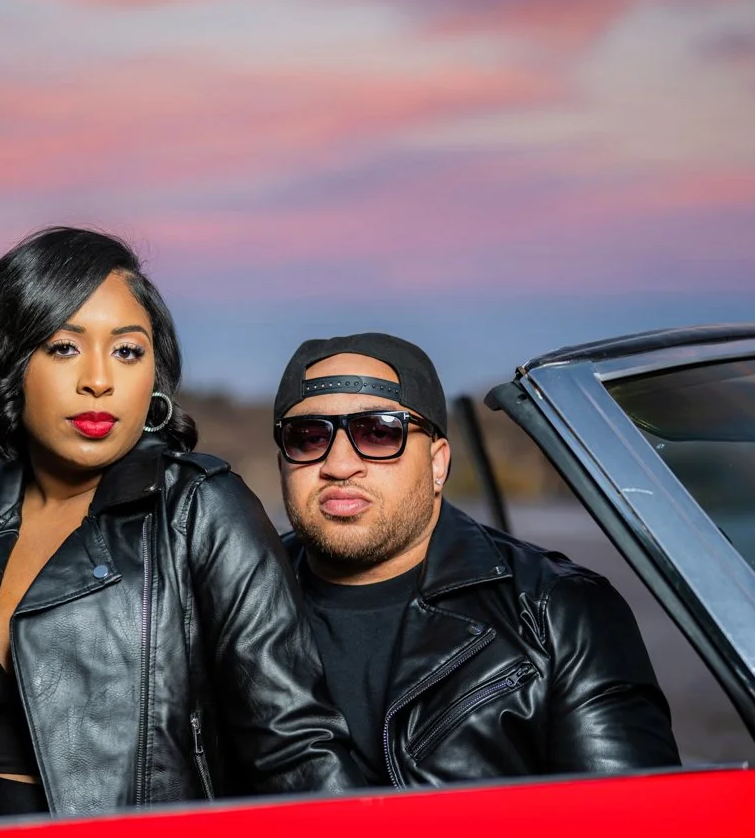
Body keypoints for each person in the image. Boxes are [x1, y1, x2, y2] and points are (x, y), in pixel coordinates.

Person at [0, 228, 357, 827]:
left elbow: (294, 746)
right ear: (11, 363)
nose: (99, 380)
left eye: (127, 351)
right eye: (65, 347)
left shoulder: (200, 509)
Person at [273, 332, 680, 787]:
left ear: (436, 464)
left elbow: (634, 831)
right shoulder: (225, 605)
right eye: (307, 438)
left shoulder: (558, 612)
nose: (340, 464)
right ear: (283, 463)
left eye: (379, 432)